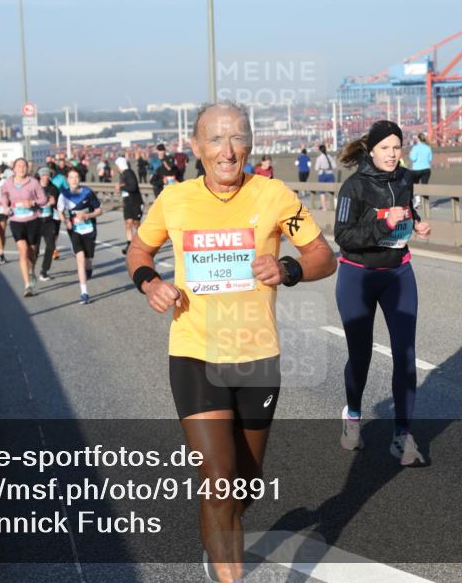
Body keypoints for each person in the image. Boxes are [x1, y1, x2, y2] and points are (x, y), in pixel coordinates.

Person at [126, 100, 336, 583]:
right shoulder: (175, 200)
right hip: (195, 354)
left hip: (257, 357)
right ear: (196, 147)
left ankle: (218, 537)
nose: (227, 150)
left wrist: (288, 269)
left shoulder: (275, 195)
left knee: (243, 486)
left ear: (251, 144)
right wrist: (149, 282)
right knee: (218, 480)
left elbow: (323, 255)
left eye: (237, 137)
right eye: (216, 139)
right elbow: (140, 247)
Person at [334, 120, 432, 466]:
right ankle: (353, 416)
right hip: (358, 276)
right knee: (360, 356)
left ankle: (402, 437)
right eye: (386, 148)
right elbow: (343, 237)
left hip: (398, 273)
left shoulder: (405, 178)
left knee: (405, 356)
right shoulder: (353, 187)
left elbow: (405, 206)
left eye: (397, 147)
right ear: (371, 150)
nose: (392, 154)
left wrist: (415, 221)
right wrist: (384, 224)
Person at [0, 158, 46, 297]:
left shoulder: (33, 182)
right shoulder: (8, 183)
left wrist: (32, 202)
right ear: (14, 169)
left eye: (24, 166)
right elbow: (4, 195)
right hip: (16, 220)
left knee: (32, 250)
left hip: (32, 220)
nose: (21, 168)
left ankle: (31, 271)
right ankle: (27, 285)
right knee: (23, 250)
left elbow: (43, 200)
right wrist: (5, 206)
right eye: (19, 166)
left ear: (28, 168)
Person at [58, 169, 102, 304]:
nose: (74, 180)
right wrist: (65, 221)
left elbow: (99, 211)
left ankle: (89, 269)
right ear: (67, 179)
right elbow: (60, 211)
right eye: (71, 177)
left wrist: (87, 216)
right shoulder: (64, 195)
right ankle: (84, 292)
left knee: (88, 260)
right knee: (80, 258)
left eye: (76, 177)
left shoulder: (87, 192)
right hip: (75, 230)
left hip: (89, 228)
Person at [36, 167, 61, 282]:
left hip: (49, 220)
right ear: (40, 176)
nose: (46, 177)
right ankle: (31, 270)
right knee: (34, 250)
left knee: (51, 246)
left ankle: (44, 271)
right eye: (44, 175)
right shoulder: (34, 187)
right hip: (35, 220)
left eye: (47, 175)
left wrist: (54, 204)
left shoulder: (54, 188)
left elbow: (58, 204)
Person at [115, 156, 143, 255]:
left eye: (117, 166)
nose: (117, 168)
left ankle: (144, 242)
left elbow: (133, 187)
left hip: (135, 202)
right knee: (128, 223)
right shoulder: (122, 175)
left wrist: (122, 186)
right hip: (127, 202)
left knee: (136, 223)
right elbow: (125, 190)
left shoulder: (129, 173)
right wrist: (119, 190)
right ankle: (129, 245)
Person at [315, 144, 336, 211]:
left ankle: (324, 207)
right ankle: (332, 206)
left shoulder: (319, 158)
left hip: (322, 174)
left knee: (322, 192)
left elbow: (316, 168)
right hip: (330, 174)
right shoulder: (330, 157)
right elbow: (334, 166)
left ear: (320, 150)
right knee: (331, 191)